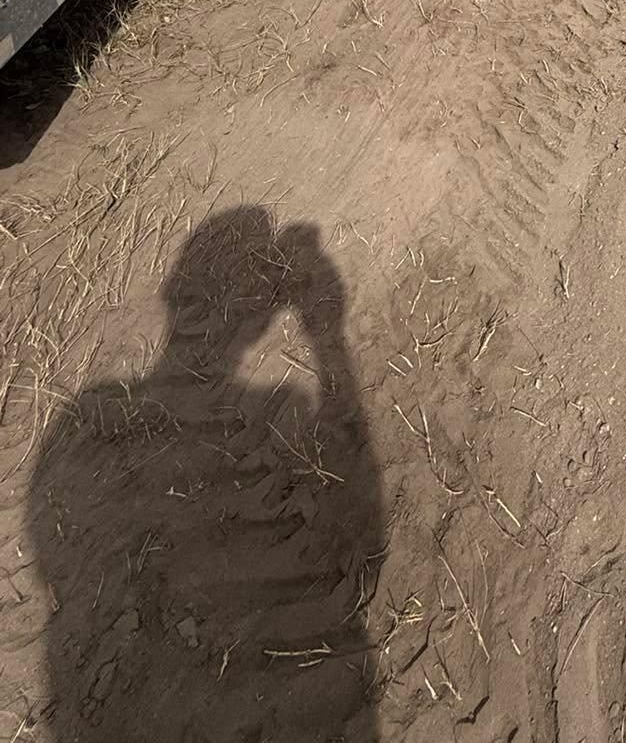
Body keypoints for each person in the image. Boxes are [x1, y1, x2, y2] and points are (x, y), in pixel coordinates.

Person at [27, 206, 385, 740]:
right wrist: (328, 340)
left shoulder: (86, 416)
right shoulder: (282, 410)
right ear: (260, 317)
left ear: (173, 295)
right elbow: (365, 545)